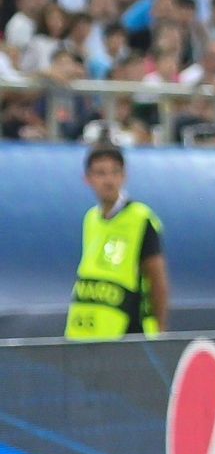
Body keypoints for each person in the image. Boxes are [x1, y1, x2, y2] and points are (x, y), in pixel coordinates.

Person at [64, 145, 169, 340]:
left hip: (130, 332)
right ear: (87, 179)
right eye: (101, 173)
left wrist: (160, 330)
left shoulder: (140, 218)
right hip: (88, 332)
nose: (109, 180)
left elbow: (157, 277)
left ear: (124, 176)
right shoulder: (91, 218)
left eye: (115, 172)